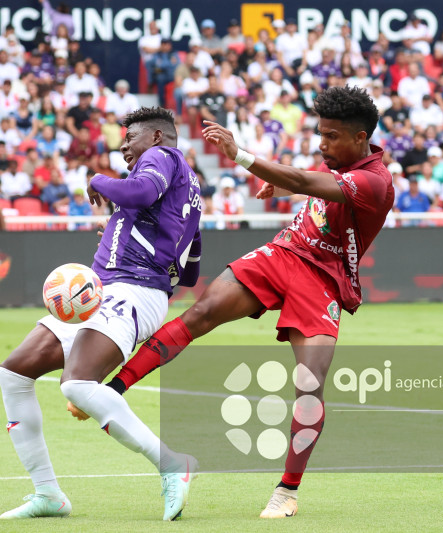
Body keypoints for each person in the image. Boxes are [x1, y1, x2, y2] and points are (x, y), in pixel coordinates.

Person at [87, 87, 394, 519]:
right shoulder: (343, 163)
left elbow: (309, 182)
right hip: (283, 254)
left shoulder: (375, 182)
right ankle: (113, 390)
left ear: (360, 139)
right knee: (202, 313)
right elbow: (312, 184)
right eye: (320, 134)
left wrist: (243, 156)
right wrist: (283, 185)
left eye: (331, 136)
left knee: (309, 386)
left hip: (323, 281)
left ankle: (287, 491)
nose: (322, 144)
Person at [0, 107, 202, 521]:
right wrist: (122, 232)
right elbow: (192, 267)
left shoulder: (162, 160)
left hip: (130, 290)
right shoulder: (190, 189)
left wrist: (96, 180)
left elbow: (140, 192)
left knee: (76, 385)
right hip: (115, 286)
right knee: (14, 373)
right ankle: (48, 494)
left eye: (131, 138)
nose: (123, 145)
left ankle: (171, 464)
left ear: (158, 137)